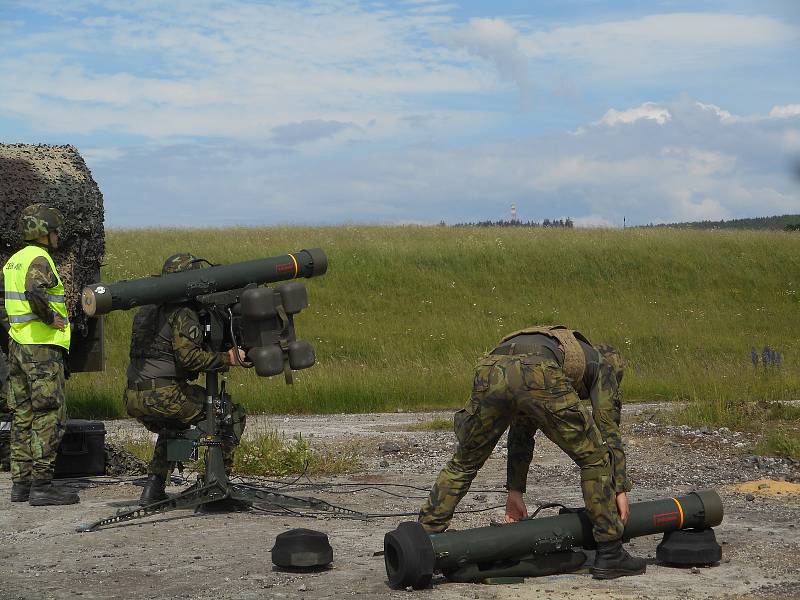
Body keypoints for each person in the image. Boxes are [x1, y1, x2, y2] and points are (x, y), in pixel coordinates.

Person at [418, 326, 646, 580]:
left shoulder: (563, 348)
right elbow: (608, 430)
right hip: (538, 369)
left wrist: (515, 491)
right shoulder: (603, 366)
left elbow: (522, 430)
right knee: (594, 460)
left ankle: (423, 538)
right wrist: (619, 487)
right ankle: (611, 553)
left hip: (490, 367)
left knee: (463, 463)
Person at [124, 253, 247, 506]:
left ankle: (153, 488)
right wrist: (227, 358)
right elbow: (189, 359)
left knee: (174, 424)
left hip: (135, 396)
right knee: (229, 414)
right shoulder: (182, 313)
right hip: (164, 394)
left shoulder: (146, 311)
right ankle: (216, 486)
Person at [0, 204, 78, 505]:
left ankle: (20, 485)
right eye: (55, 231)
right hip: (41, 350)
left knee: (22, 414)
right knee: (49, 414)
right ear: (44, 234)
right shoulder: (39, 259)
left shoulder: (13, 262)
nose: (58, 236)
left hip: (18, 347)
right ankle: (42, 485)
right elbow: (35, 292)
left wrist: (11, 329)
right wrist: (51, 319)